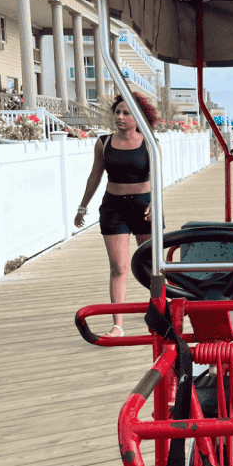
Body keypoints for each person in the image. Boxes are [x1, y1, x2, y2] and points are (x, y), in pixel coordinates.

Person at [74, 91, 159, 338]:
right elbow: (95, 176)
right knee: (118, 268)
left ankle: (157, 316)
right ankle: (117, 325)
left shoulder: (150, 142)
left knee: (152, 266)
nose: (120, 117)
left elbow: (158, 176)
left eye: (126, 113)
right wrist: (82, 206)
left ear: (138, 117)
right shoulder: (103, 142)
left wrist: (156, 202)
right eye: (118, 112)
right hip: (114, 208)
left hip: (144, 207)